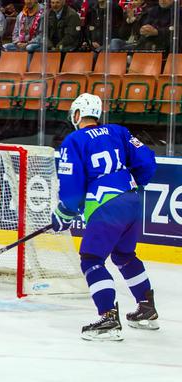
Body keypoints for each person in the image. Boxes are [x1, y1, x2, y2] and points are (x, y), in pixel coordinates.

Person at [52, 93, 159, 341]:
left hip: (106, 205)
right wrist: (130, 185)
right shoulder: (119, 132)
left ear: (77, 114)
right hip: (132, 201)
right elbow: (147, 161)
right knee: (124, 255)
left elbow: (72, 185)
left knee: (91, 259)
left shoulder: (74, 140)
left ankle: (108, 319)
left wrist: (65, 211)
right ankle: (146, 309)